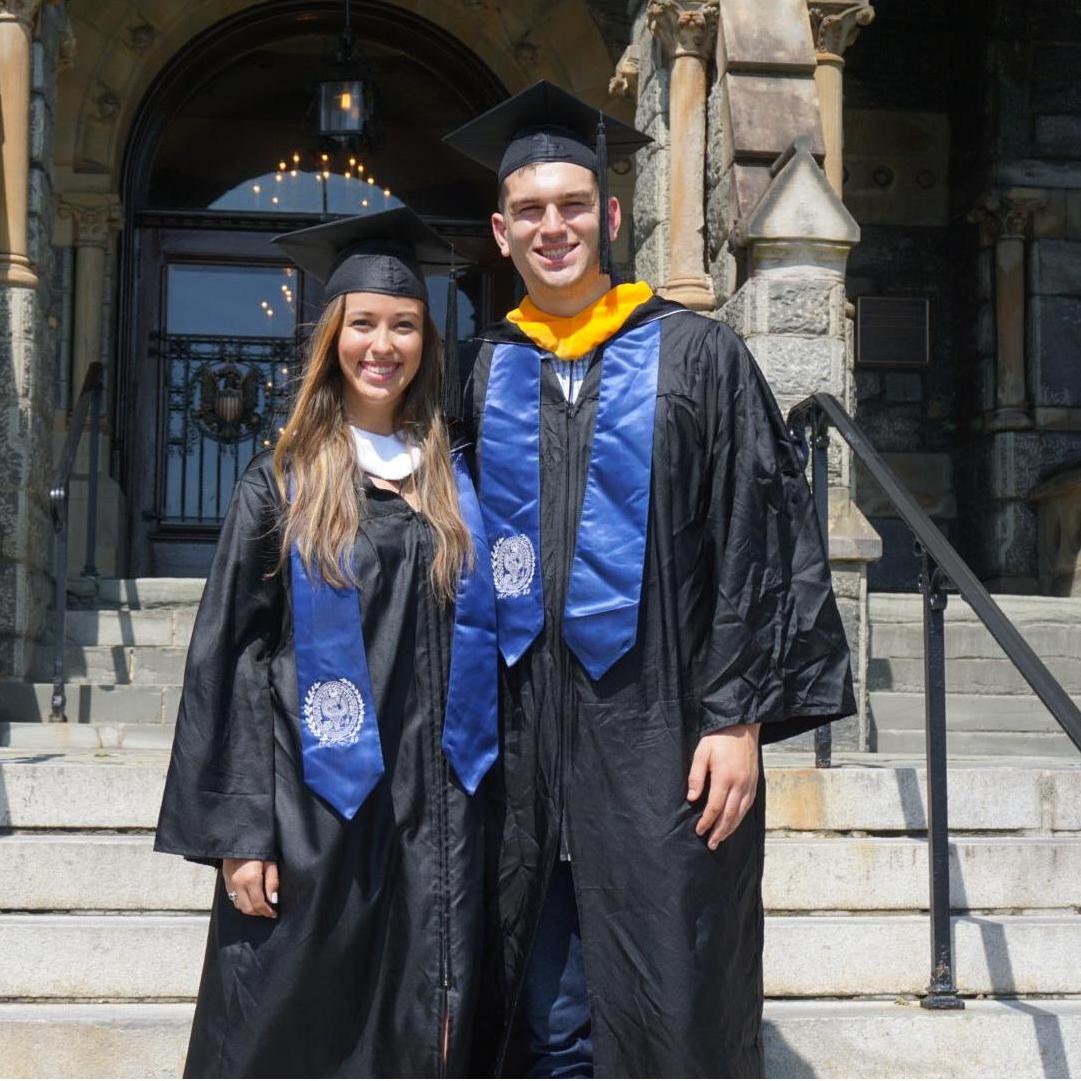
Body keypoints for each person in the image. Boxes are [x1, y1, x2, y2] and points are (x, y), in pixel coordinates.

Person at [444, 82, 856, 1078]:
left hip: (662, 739)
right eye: (532, 211)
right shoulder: (476, 374)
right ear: (502, 233)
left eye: (574, 206)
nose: (555, 227)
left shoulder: (699, 356)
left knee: (665, 1000)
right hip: (517, 751)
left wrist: (737, 717)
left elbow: (758, 539)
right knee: (539, 1020)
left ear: (611, 215)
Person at [154, 206, 499, 1078]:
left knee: (417, 1025)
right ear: (332, 337)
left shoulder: (454, 480)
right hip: (317, 807)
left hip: (437, 810)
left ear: (426, 340)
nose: (382, 345)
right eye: (364, 325)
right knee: (294, 1024)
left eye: (404, 326)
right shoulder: (281, 484)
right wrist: (241, 831)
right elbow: (229, 660)